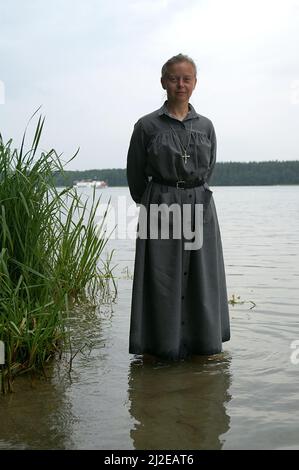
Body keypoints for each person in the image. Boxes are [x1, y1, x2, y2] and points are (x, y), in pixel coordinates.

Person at [126, 53, 230, 360]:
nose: (180, 85)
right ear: (163, 82)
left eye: (186, 79)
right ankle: (161, 347)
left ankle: (202, 345)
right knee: (161, 278)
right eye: (174, 78)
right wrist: (159, 200)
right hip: (160, 208)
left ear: (195, 83)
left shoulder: (207, 126)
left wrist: (190, 195)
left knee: (202, 276)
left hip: (200, 207)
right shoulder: (146, 126)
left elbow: (207, 170)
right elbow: (135, 177)